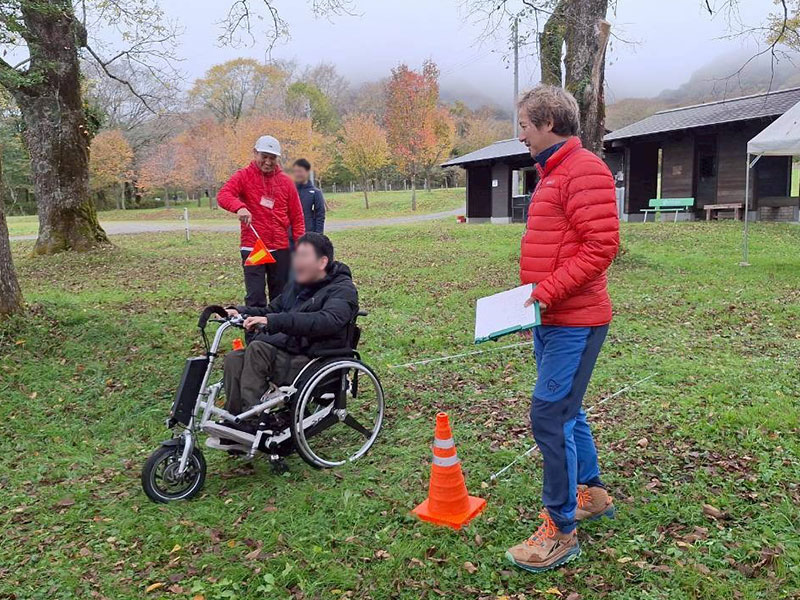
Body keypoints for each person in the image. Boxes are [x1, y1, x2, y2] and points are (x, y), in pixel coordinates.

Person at [505, 85, 620, 573]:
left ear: (549, 121)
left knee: (549, 418)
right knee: (568, 413)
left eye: (525, 124)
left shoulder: (584, 170)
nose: (521, 134)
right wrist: (536, 298)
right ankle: (591, 493)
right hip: (550, 318)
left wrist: (547, 290)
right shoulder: (552, 172)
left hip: (575, 320)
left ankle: (561, 530)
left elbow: (601, 247)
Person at [221, 233, 358, 423]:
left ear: (322, 262)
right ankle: (233, 419)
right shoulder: (297, 286)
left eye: (303, 256)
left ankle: (253, 420)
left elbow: (327, 320)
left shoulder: (343, 290)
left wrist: (274, 321)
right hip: (291, 348)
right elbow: (270, 309)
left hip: (316, 358)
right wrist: (239, 311)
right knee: (234, 358)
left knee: (258, 349)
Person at [217, 135, 306, 307]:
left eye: (272, 158)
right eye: (264, 156)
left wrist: (300, 245)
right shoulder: (243, 176)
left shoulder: (286, 182)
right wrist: (239, 207)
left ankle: (278, 332)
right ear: (255, 153)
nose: (268, 161)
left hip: (280, 247)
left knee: (280, 297)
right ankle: (255, 333)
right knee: (255, 296)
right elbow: (223, 195)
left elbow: (297, 218)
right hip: (254, 246)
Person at [292, 158, 326, 235]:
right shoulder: (290, 191)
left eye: (300, 171)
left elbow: (320, 215)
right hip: (291, 236)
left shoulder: (315, 193)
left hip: (308, 235)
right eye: (295, 171)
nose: (297, 174)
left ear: (307, 172)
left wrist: (318, 236)